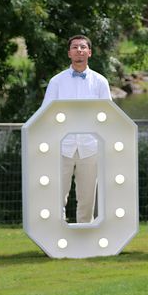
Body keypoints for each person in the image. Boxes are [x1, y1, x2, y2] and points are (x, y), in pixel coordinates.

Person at [42, 35, 112, 223]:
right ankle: (57, 239)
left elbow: (108, 116)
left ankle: (85, 243)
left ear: (89, 52)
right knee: (56, 197)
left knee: (87, 199)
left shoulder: (100, 82)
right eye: (75, 47)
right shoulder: (56, 82)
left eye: (83, 47)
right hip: (61, 147)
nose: (79, 50)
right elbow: (45, 114)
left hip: (90, 148)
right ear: (69, 53)